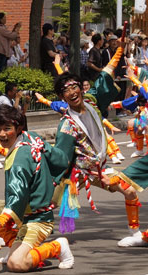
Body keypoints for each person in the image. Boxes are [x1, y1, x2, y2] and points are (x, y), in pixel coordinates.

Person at [0, 105, 74, 271]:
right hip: (23, 208)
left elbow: (17, 193)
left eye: (7, 129)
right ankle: (14, 246)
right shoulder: (30, 137)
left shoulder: (21, 157)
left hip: (37, 218)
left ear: (18, 128)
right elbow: (61, 161)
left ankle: (57, 246)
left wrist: (2, 220)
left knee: (17, 264)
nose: (2, 134)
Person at [51, 69, 142, 245]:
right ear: (62, 97)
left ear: (81, 88)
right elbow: (61, 155)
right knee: (47, 203)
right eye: (66, 90)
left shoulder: (92, 106)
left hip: (100, 168)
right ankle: (7, 231)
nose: (71, 92)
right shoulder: (67, 124)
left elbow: (104, 80)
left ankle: (135, 232)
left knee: (130, 191)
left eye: (74, 87)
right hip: (77, 173)